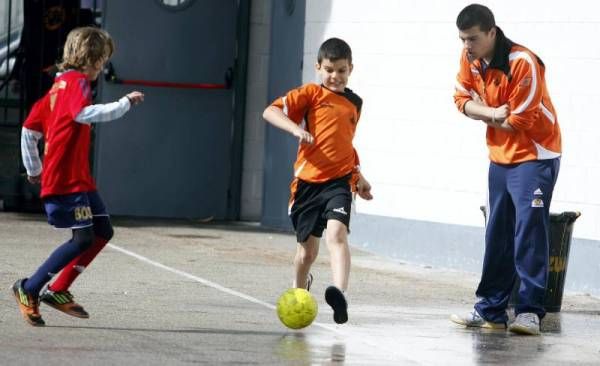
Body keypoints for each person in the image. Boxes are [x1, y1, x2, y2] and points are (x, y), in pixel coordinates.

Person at [13, 26, 144, 326]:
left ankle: (58, 290)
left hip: (77, 179)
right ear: (93, 59)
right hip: (65, 180)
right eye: (103, 60)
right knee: (83, 237)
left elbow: (29, 130)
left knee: (102, 231)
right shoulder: (77, 84)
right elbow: (83, 114)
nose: (103, 67)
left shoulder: (57, 87)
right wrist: (123, 105)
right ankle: (29, 288)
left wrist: (34, 169)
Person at [450, 4, 562, 335]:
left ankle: (529, 312)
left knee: (528, 231)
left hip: (534, 156)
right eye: (462, 40)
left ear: (492, 33)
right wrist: (494, 112)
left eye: (472, 39)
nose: (466, 47)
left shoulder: (523, 62)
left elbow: (519, 121)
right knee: (497, 233)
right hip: (499, 157)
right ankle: (490, 310)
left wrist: (487, 112)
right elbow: (460, 100)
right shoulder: (469, 58)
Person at [263, 37, 373, 324]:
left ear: (351, 69)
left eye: (341, 71)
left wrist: (359, 177)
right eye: (329, 70)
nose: (335, 76)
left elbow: (344, 144)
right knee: (307, 252)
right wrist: (295, 130)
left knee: (337, 235)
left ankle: (340, 293)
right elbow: (270, 111)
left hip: (339, 182)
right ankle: (299, 288)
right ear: (318, 68)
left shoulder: (354, 103)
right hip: (307, 186)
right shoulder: (311, 94)